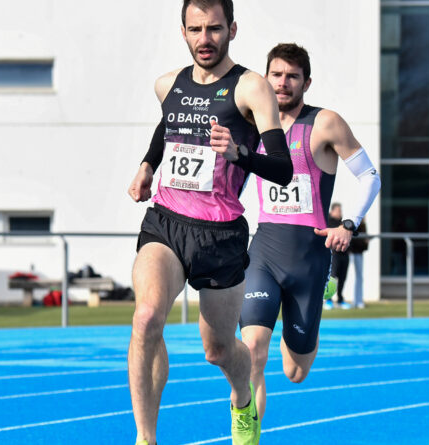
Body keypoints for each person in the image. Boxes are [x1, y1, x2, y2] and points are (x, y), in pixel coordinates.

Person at [126, 1, 293, 444]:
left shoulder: (251, 88)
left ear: (232, 29)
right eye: (196, 29)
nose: (205, 39)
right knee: (145, 318)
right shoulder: (168, 85)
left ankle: (243, 398)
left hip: (220, 234)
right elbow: (170, 126)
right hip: (166, 221)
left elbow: (283, 168)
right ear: (183, 31)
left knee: (217, 350)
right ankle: (146, 438)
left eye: (215, 29)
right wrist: (147, 164)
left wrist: (240, 153)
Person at [238, 43, 381, 422]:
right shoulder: (251, 125)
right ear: (265, 79)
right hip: (264, 251)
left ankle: (316, 300)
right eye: (276, 75)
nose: (282, 83)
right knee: (252, 349)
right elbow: (234, 180)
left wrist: (348, 224)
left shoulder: (325, 123)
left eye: (292, 77)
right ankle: (245, 435)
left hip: (309, 259)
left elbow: (369, 176)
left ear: (306, 82)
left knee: (295, 371)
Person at [323, 203, 351, 310]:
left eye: (341, 210)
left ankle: (340, 299)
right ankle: (328, 300)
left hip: (344, 253)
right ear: (332, 211)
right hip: (333, 254)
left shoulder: (343, 224)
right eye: (338, 210)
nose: (340, 213)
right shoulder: (328, 222)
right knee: (332, 278)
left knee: (343, 277)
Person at [348, 219, 369, 309]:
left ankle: (358, 300)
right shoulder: (351, 222)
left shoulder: (363, 225)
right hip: (349, 252)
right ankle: (336, 299)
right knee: (346, 276)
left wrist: (365, 243)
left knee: (359, 277)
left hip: (358, 252)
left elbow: (364, 241)